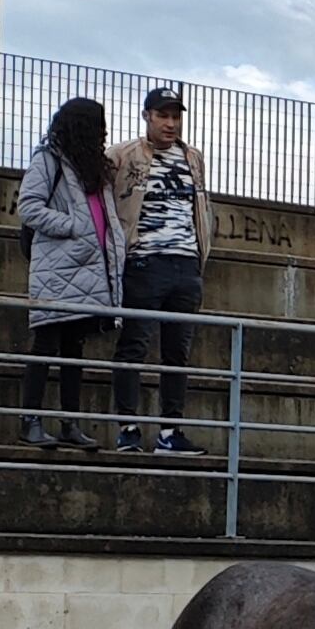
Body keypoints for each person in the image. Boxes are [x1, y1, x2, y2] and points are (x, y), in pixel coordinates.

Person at [104, 86, 211, 456]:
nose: (170, 123)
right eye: (163, 115)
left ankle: (170, 431)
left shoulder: (193, 157)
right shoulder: (122, 156)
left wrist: (198, 257)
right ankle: (128, 429)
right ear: (147, 115)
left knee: (177, 353)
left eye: (176, 116)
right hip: (144, 261)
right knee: (133, 346)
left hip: (186, 264)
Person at [14, 97, 122, 452]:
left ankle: (69, 424)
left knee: (74, 349)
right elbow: (28, 207)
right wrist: (72, 226)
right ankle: (29, 421)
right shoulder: (48, 159)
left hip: (89, 273)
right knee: (46, 343)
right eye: (97, 125)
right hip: (57, 271)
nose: (102, 133)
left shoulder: (94, 167)